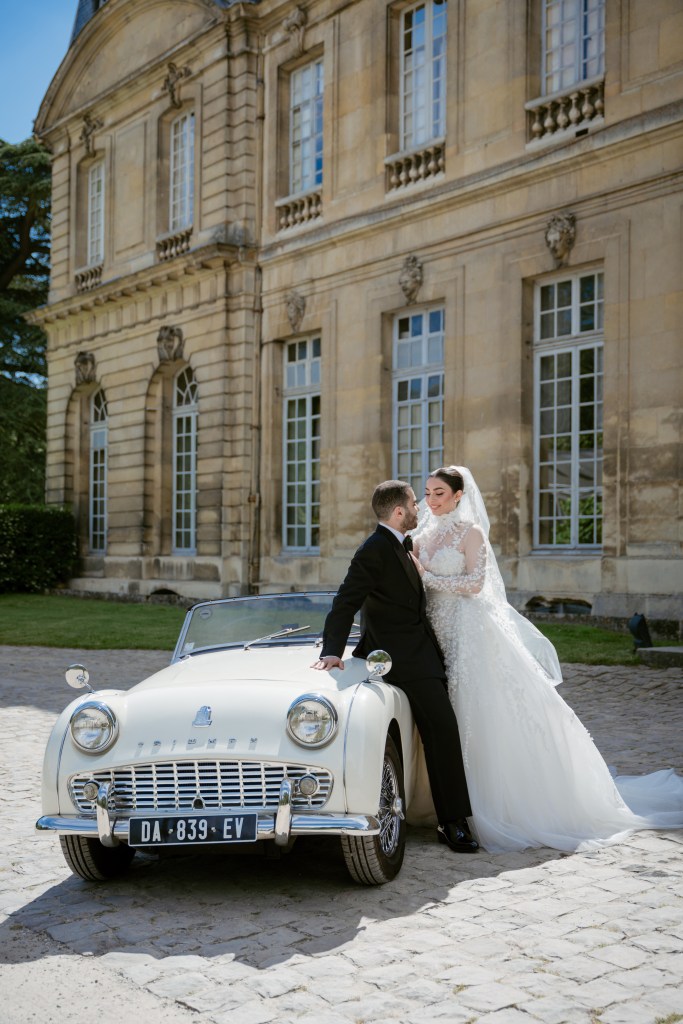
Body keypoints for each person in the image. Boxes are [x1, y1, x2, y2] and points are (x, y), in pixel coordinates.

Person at [409, 464, 683, 853]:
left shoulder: (471, 533)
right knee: (444, 713)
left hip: (470, 632)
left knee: (477, 710)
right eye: (428, 492)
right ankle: (439, 799)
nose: (431, 500)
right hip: (437, 631)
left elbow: (474, 584)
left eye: (439, 493)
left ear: (458, 495)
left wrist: (427, 576)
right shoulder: (424, 533)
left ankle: (486, 805)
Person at [312, 479, 478, 853]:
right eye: (414, 505)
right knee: (442, 729)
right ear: (400, 512)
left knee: (441, 730)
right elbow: (345, 601)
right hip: (398, 659)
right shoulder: (374, 549)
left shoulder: (401, 544)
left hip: (421, 653)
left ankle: (447, 817)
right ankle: (453, 823)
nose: (420, 509)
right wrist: (332, 651)